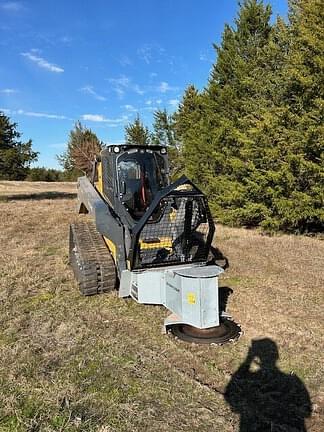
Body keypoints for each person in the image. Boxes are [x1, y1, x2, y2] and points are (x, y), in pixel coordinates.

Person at [224, 338, 311, 431]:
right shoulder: (292, 382)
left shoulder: (251, 382)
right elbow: (306, 411)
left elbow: (231, 396)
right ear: (276, 356)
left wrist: (248, 359)